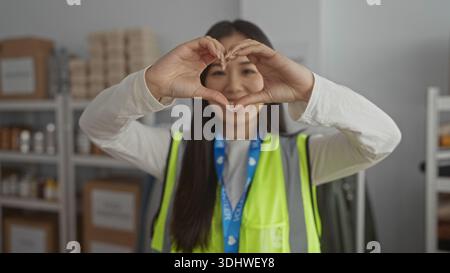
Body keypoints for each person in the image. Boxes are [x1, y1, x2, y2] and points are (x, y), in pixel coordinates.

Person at [79, 20, 401, 253]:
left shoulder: (305, 156)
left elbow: (383, 137)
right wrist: (152, 84)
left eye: (248, 70)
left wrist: (307, 90)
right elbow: (97, 126)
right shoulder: (171, 149)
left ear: (273, 78)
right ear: (201, 88)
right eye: (218, 72)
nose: (233, 87)